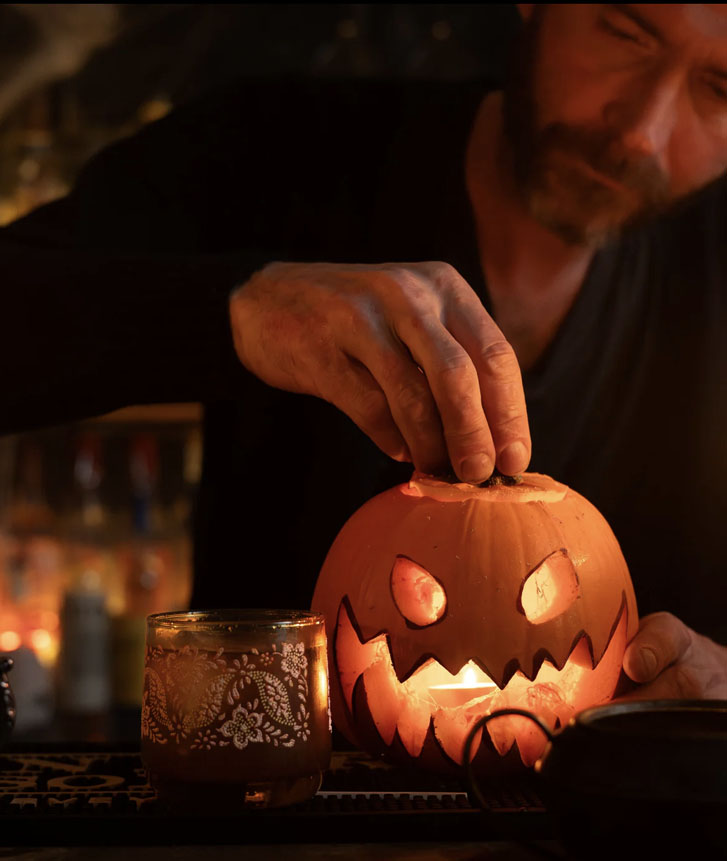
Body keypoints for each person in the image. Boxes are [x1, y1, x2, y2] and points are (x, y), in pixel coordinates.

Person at [1, 4, 725, 702]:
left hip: (621, 823)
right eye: (625, 35)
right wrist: (235, 307)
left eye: (719, 88)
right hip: (262, 802)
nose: (641, 131)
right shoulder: (278, 148)